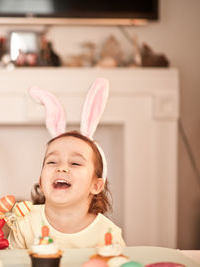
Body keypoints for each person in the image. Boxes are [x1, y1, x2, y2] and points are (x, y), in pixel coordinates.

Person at [9, 79, 125, 249]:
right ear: (41, 181)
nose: (61, 167)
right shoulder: (24, 224)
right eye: (52, 161)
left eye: (75, 163)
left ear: (96, 185)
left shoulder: (107, 234)